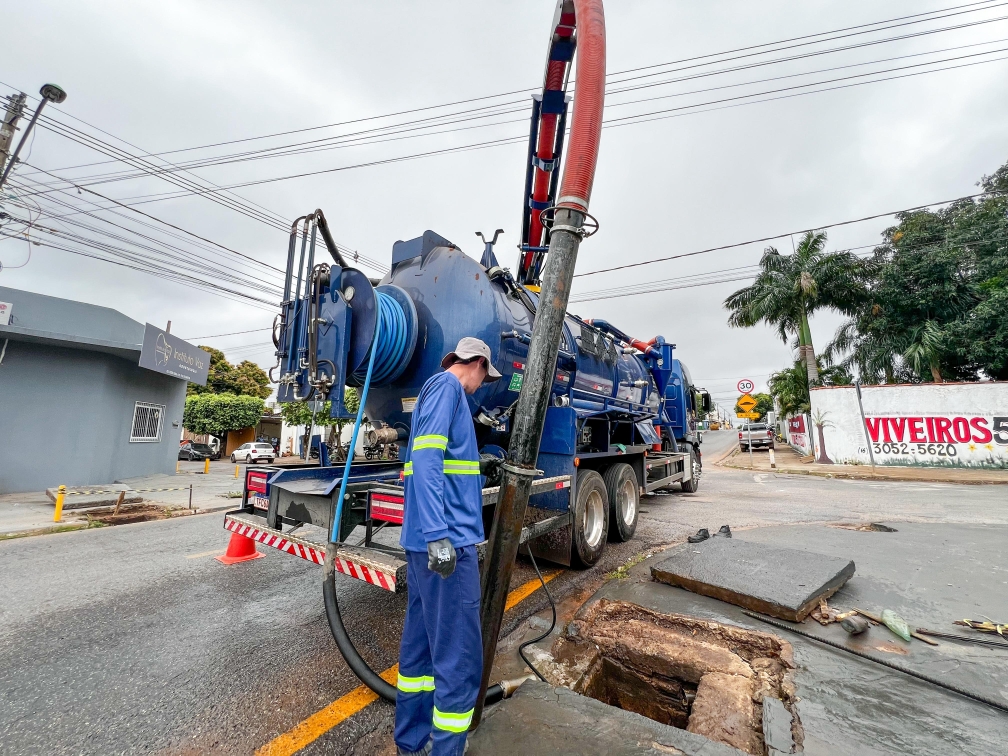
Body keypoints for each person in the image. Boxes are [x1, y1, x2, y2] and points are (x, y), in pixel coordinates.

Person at [394, 337, 502, 756]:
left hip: (424, 542)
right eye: (484, 378)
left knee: (421, 651)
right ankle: (447, 749)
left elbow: (439, 462)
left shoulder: (434, 390)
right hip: (447, 545)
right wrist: (439, 534)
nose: (481, 387)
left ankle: (412, 742)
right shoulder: (449, 388)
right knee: (459, 656)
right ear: (476, 364)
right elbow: (426, 459)